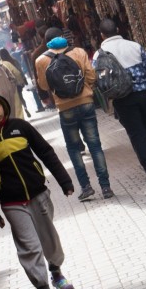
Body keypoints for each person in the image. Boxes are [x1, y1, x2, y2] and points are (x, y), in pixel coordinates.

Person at [0, 88, 76, 289]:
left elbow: (46, 153)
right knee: (29, 248)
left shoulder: (20, 126)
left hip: (39, 194)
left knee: (49, 238)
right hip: (12, 202)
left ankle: (56, 272)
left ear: (2, 105)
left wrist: (65, 180)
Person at [34, 29, 112, 200]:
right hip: (86, 103)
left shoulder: (41, 60)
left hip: (65, 108)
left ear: (46, 41)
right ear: (62, 38)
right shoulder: (78, 52)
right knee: (95, 145)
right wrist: (87, 90)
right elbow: (91, 75)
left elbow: (44, 86)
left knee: (74, 149)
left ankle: (86, 187)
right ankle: (105, 187)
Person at [96, 19, 146, 182]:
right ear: (117, 29)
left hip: (122, 99)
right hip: (143, 94)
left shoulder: (99, 54)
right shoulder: (134, 46)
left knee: (137, 134)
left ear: (101, 34)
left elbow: (100, 81)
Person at [0, 47, 30, 115]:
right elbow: (20, 71)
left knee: (13, 99)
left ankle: (15, 112)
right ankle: (25, 107)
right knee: (20, 96)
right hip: (18, 83)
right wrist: (24, 80)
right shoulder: (13, 60)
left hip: (8, 84)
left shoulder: (1, 64)